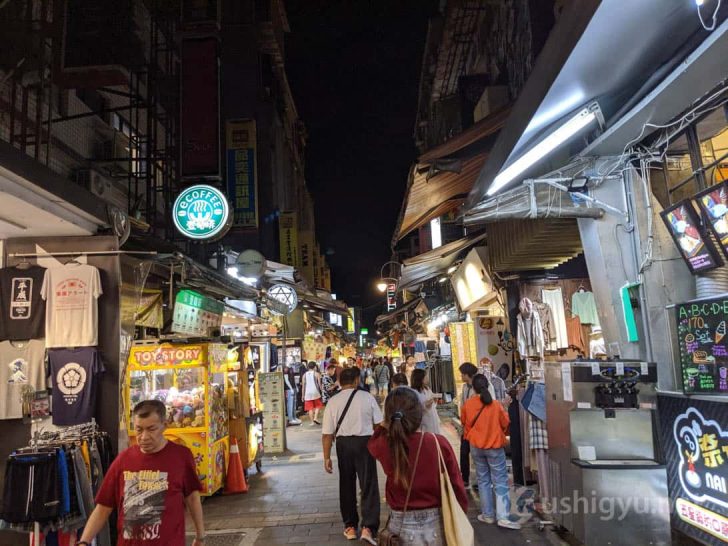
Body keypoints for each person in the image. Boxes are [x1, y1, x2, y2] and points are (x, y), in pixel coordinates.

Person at [77, 400, 205, 545]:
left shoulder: (181, 456)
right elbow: (103, 507)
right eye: (139, 429)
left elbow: (192, 498)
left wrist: (200, 535)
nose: (144, 437)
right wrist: (84, 542)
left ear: (164, 425)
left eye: (151, 429)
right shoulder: (123, 460)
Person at [368, 387, 467, 546]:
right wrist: (461, 511)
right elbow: (457, 484)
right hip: (437, 526)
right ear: (419, 414)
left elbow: (373, 441)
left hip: (399, 528)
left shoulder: (385, 444)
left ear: (389, 417)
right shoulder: (437, 442)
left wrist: (385, 423)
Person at [322, 367, 382, 543]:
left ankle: (350, 527)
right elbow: (379, 425)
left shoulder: (333, 401)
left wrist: (326, 457)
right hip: (365, 444)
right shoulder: (367, 397)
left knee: (346, 485)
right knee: (368, 484)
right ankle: (368, 528)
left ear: (340, 382)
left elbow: (327, 434)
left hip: (343, 445)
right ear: (356, 380)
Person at [462, 374, 520, 530]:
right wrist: (506, 409)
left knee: (483, 480)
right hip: (494, 446)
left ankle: (487, 515)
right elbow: (505, 424)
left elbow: (465, 423)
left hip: (476, 447)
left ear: (473, 388)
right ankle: (503, 517)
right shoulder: (495, 405)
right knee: (500, 481)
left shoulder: (468, 404)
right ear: (488, 386)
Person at [459, 362, 479, 489]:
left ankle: (477, 480)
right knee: (464, 452)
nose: (461, 376)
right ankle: (464, 478)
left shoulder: (477, 387)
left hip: (475, 426)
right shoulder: (465, 388)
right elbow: (462, 404)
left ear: (467, 374)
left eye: (462, 374)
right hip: (466, 425)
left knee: (476, 453)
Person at [410, 368, 441, 434]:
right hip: (424, 421)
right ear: (420, 378)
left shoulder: (427, 389)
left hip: (432, 418)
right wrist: (425, 405)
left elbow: (432, 404)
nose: (427, 378)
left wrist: (434, 400)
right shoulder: (414, 392)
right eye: (425, 376)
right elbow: (415, 408)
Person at [302, 361, 323, 425]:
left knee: (310, 408)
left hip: (307, 393)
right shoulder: (316, 374)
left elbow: (303, 386)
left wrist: (302, 395)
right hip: (315, 392)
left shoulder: (304, 375)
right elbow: (319, 384)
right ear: (314, 367)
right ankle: (315, 418)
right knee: (318, 405)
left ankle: (312, 422)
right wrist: (322, 391)